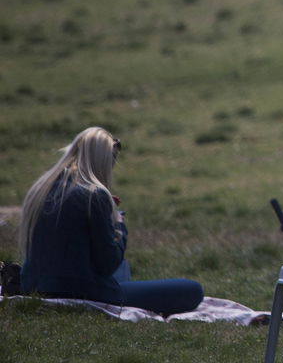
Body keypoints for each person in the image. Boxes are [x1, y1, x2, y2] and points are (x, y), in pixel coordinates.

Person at [19, 127, 203, 315]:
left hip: (33, 284)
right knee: (192, 289)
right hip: (79, 291)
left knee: (123, 267)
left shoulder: (41, 189)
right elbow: (108, 263)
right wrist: (118, 224)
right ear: (103, 161)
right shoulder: (94, 195)